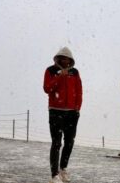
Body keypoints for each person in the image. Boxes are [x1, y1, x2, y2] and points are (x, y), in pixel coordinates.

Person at [43, 47, 82, 183]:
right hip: (55, 111)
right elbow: (47, 88)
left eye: (67, 58)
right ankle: (54, 175)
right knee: (56, 143)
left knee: (69, 142)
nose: (64, 60)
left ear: (70, 60)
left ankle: (63, 169)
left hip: (72, 113)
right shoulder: (50, 70)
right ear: (58, 58)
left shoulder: (75, 72)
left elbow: (79, 91)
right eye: (62, 58)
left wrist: (77, 109)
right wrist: (60, 76)